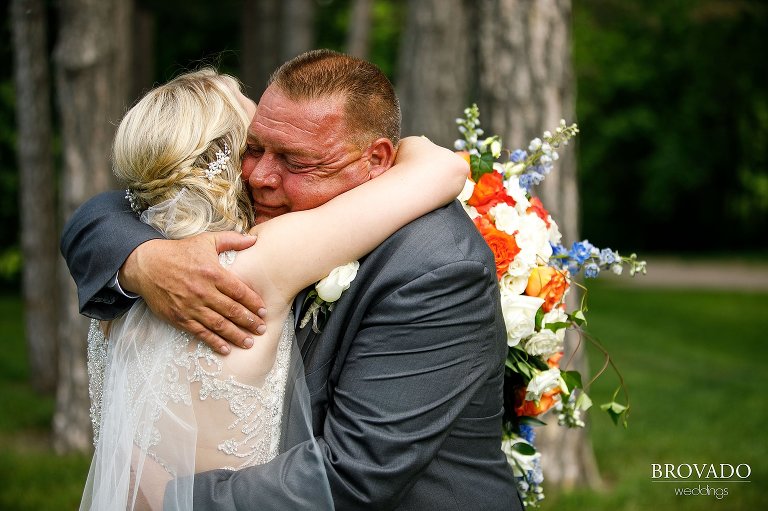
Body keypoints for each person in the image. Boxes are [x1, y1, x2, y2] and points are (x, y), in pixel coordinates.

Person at [63, 50, 524, 510]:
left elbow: (355, 472)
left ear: (378, 159)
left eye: (295, 162)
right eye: (253, 148)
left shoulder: (434, 265)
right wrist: (142, 260)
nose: (262, 176)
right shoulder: (200, 254)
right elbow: (105, 213)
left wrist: (170, 501)